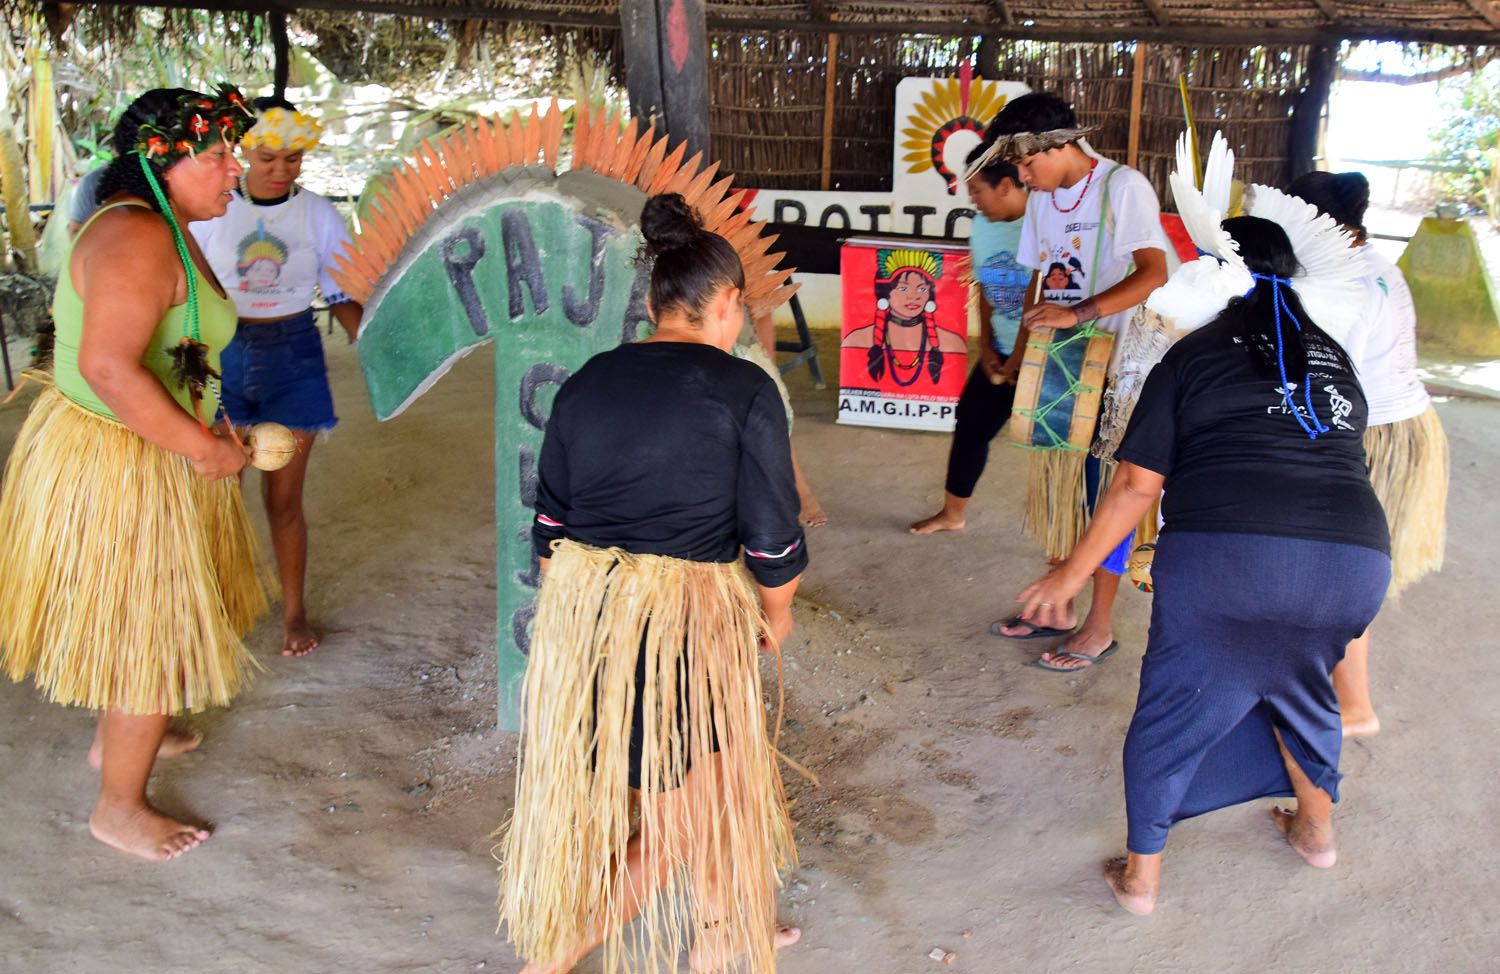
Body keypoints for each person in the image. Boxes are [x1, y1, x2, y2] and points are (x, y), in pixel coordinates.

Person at [1016, 216, 1391, 914]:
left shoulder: (1192, 356)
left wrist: (1068, 575)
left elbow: (1135, 486)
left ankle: (1142, 880)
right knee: (1304, 691)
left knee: (1174, 708)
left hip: (1227, 555)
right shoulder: (1334, 355)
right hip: (1356, 558)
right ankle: (1315, 833)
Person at [497, 193, 807, 973]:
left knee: (730, 764)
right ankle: (556, 956)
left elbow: (550, 527)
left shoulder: (591, 380)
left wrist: (592, 608)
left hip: (586, 614)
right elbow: (772, 537)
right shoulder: (743, 390)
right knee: (681, 811)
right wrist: (777, 613)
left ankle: (723, 923)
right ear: (728, 302)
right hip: (678, 623)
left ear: (654, 301)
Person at [0, 87, 267, 861]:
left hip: (149, 443)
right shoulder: (137, 238)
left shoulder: (163, 229)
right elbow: (110, 369)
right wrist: (202, 448)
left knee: (149, 615)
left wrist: (206, 420)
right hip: (123, 454)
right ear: (161, 160)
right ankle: (118, 805)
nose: (235, 167)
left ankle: (121, 736)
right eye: (216, 155)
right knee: (147, 629)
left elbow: (170, 349)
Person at [972, 92, 1170, 669]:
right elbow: (1038, 279)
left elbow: (1154, 274)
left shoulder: (1122, 186)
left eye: (1028, 164)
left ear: (1060, 144)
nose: (1023, 176)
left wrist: (1077, 313)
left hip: (1124, 364)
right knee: (1061, 488)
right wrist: (1022, 348)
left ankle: (1098, 626)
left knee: (1103, 492)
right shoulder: (1043, 198)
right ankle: (1057, 604)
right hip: (1065, 359)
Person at [191, 96, 362, 657]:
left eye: (292, 158)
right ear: (242, 150)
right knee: (219, 496)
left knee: (284, 501)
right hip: (222, 355)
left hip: (295, 356)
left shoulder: (317, 213)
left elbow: (340, 292)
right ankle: (214, 610)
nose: (280, 169)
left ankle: (293, 613)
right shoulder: (212, 208)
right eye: (267, 157)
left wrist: (374, 341)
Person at [1287, 171, 1449, 737]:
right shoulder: (1374, 263)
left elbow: (1330, 387)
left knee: (1341, 572)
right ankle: (1336, 689)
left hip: (1375, 434)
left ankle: (1353, 705)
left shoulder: (1342, 286)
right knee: (1349, 570)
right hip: (1407, 425)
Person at [910, 143, 1030, 534]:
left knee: (1062, 447)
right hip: (1001, 351)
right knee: (970, 425)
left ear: (1007, 186)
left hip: (1044, 355)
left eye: (977, 190)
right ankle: (953, 514)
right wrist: (987, 347)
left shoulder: (1041, 227)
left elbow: (1043, 296)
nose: (972, 199)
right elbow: (982, 285)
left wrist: (1021, 358)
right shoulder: (981, 226)